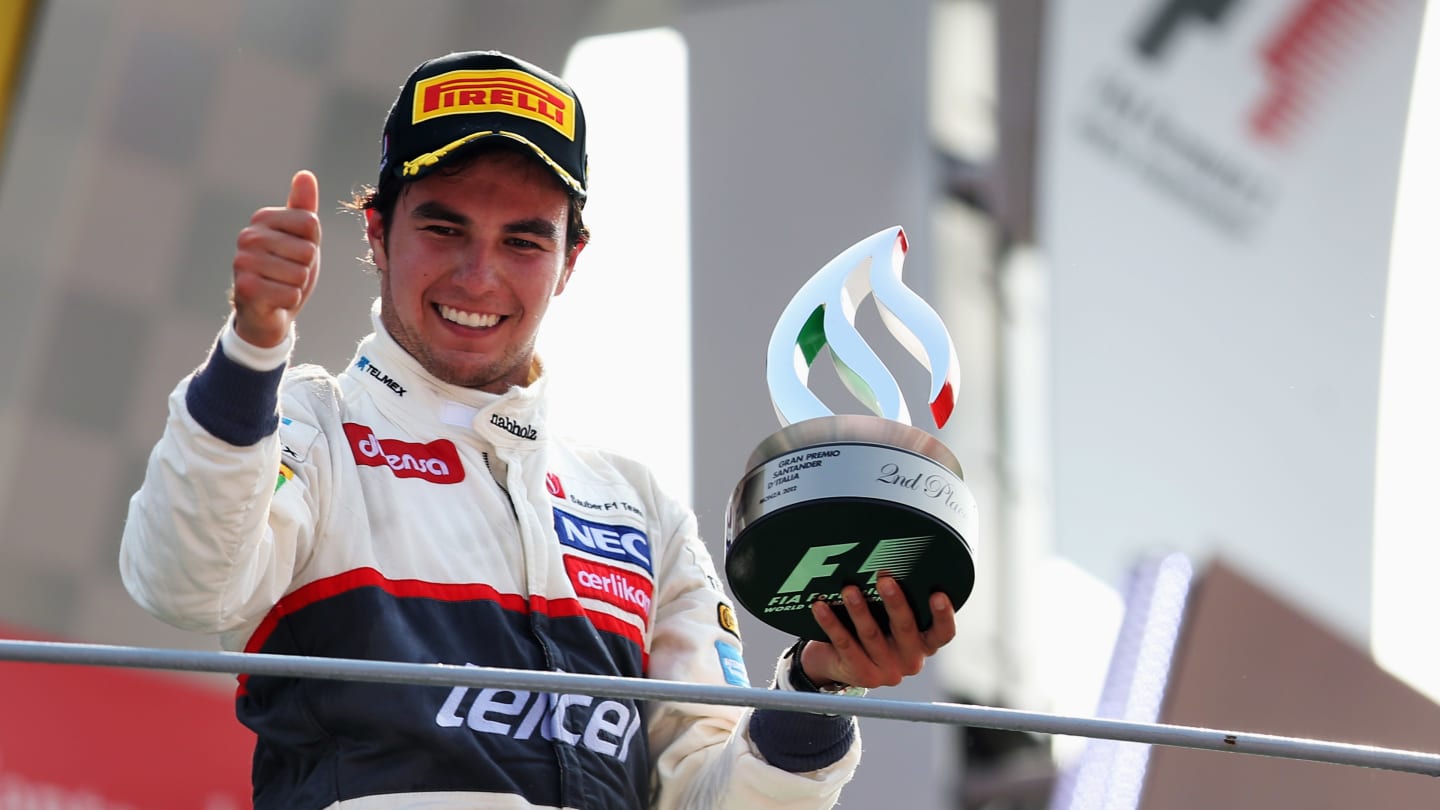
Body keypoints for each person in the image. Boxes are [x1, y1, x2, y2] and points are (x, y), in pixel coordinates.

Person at [120, 49, 956, 810]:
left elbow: (710, 797)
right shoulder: (308, 426)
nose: (478, 275)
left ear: (571, 261)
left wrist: (812, 695)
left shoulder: (638, 507)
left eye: (523, 240)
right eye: (444, 227)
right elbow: (184, 580)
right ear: (376, 231)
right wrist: (253, 347)